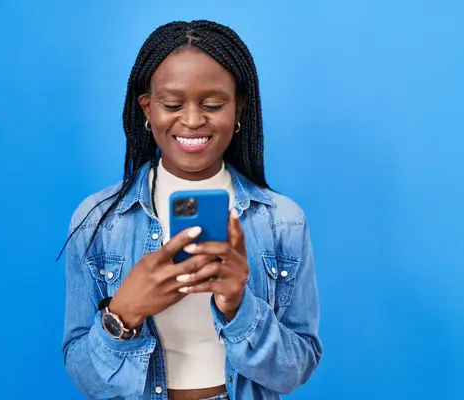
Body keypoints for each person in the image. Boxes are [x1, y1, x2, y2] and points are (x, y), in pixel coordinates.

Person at [60, 20, 322, 400]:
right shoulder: (100, 220)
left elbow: (295, 370)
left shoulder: (283, 220)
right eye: (172, 104)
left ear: (238, 109)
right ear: (147, 108)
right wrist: (124, 313)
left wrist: (237, 306)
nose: (193, 119)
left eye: (213, 104)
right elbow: (86, 377)